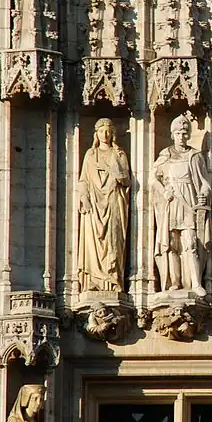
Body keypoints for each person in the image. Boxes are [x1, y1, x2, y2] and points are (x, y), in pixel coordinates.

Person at [151, 114, 212, 296]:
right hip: (171, 203)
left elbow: (204, 181)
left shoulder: (194, 156)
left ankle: (195, 283)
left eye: (185, 133)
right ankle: (175, 282)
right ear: (172, 135)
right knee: (171, 243)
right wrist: (164, 192)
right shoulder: (165, 155)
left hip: (188, 202)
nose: (182, 136)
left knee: (190, 242)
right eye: (178, 133)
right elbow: (153, 179)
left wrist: (204, 193)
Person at [77, 118, 130, 292]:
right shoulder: (90, 155)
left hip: (114, 201)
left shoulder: (119, 154)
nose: (105, 135)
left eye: (108, 131)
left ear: (112, 133)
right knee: (93, 243)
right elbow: (83, 180)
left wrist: (116, 171)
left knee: (113, 241)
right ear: (96, 134)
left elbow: (126, 179)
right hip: (93, 205)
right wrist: (84, 196)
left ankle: (114, 279)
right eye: (101, 131)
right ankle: (93, 281)